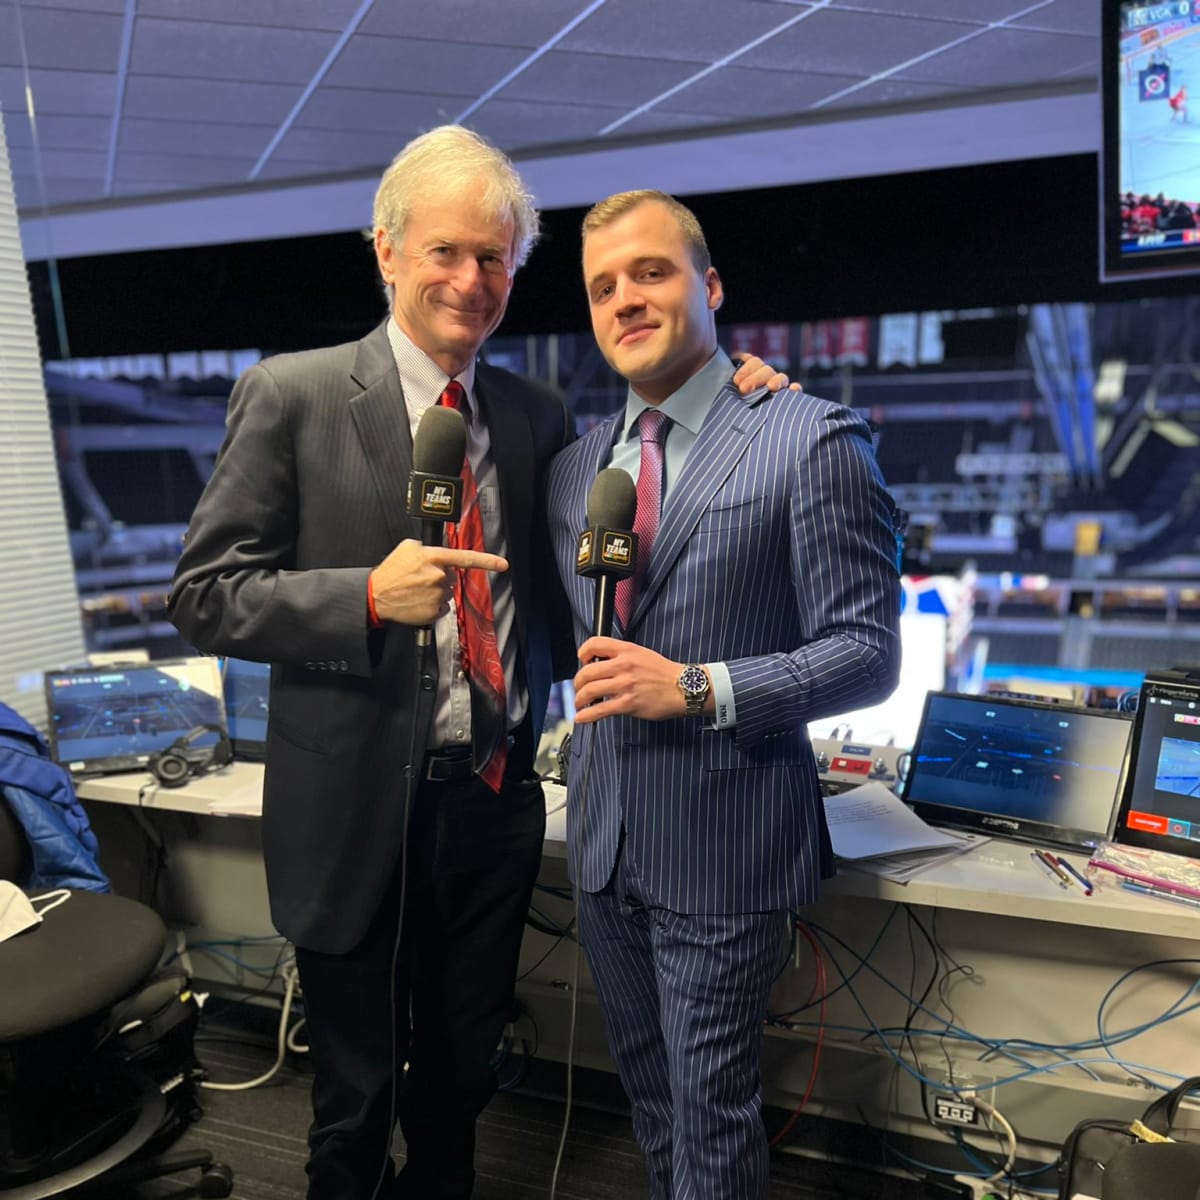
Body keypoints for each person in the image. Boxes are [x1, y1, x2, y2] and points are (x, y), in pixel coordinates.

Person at [168, 129, 792, 1200]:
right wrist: (362, 595)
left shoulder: (536, 415)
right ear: (388, 254)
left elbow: (604, 522)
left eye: (494, 259)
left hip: (489, 807)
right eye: (447, 252)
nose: (470, 280)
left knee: (459, 1087)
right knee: (353, 1102)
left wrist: (733, 390)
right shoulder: (293, 395)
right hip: (353, 812)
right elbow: (204, 593)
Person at [546, 190, 902, 1199]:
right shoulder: (577, 471)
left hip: (725, 846)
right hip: (605, 841)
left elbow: (869, 655)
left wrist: (698, 688)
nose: (625, 300)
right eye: (602, 287)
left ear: (708, 287)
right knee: (651, 1099)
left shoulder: (810, 438)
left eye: (650, 273)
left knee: (710, 1115)